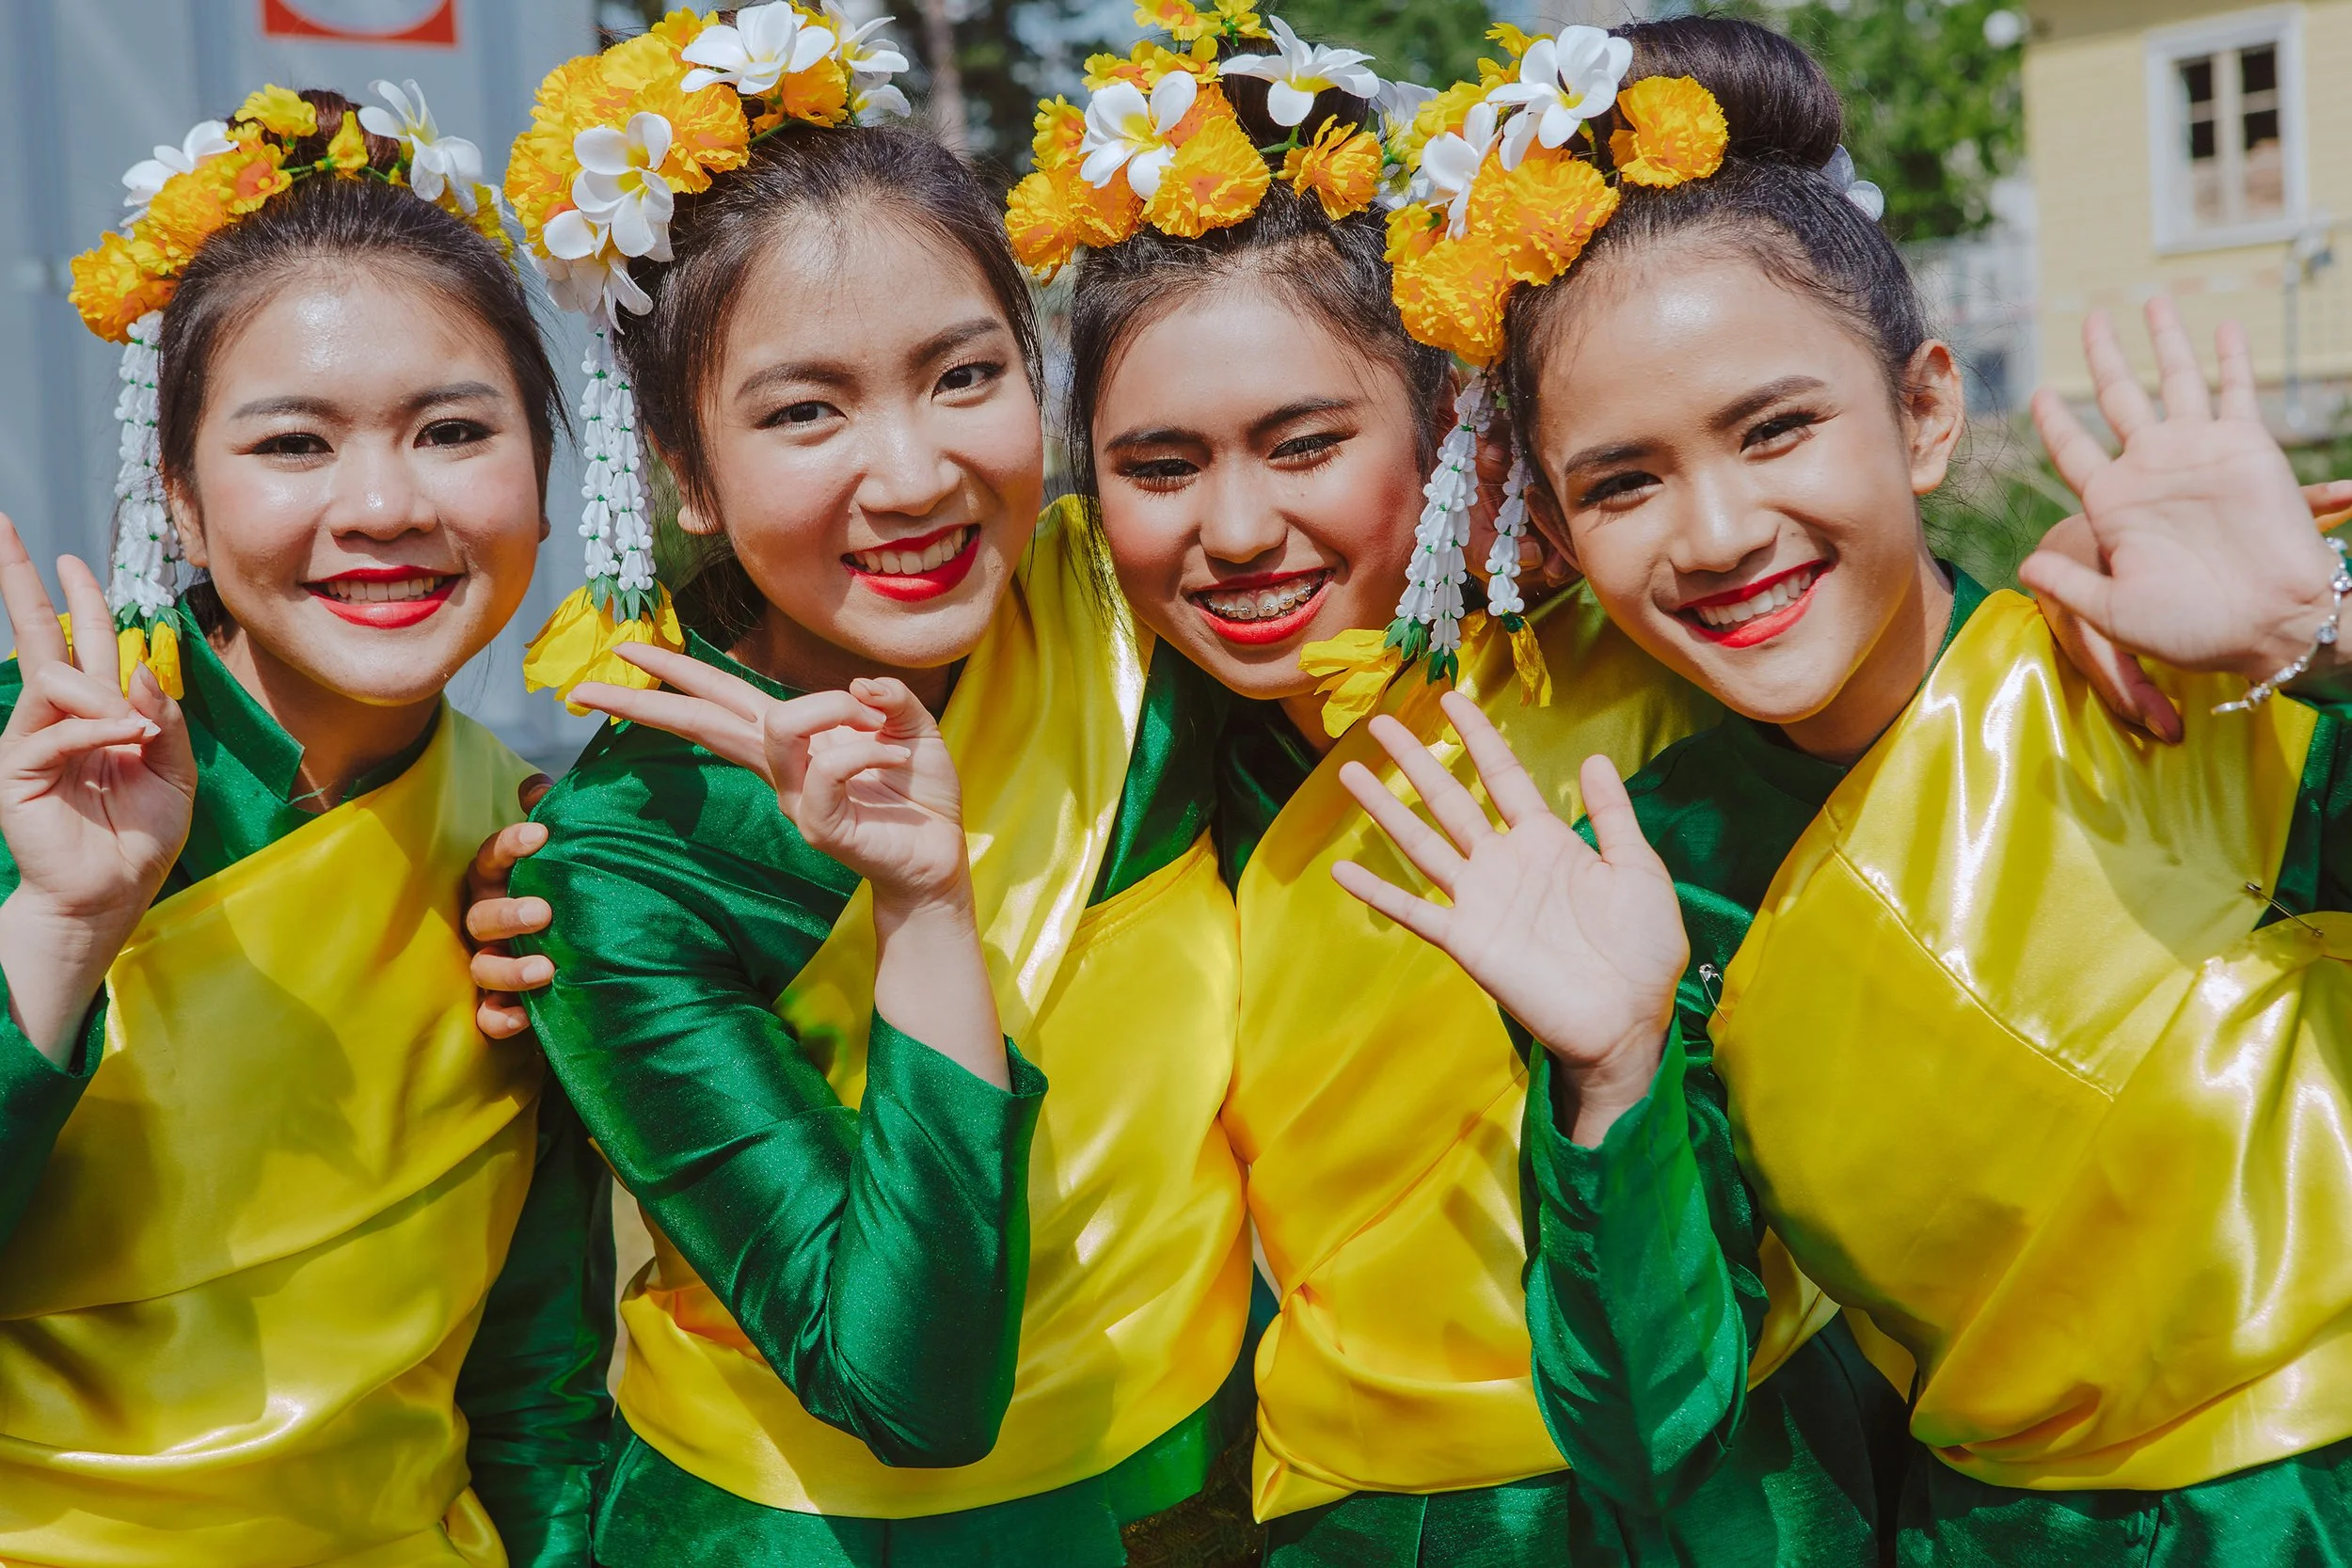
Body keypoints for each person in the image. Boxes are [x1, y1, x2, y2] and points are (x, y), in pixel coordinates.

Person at [1338, 17, 2352, 1565]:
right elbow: (1651, 1432)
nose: (1722, 527)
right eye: (1623, 481)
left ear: (1927, 412)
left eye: (1777, 425)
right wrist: (1609, 1083)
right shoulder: (1645, 887)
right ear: (1551, 524)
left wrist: (2315, 635)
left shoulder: (2169, 669)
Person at [499, 11, 1254, 1562]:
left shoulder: (1145, 615)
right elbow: (904, 1383)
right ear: (685, 473)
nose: (910, 477)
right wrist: (923, 909)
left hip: (1198, 1486)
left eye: (962, 375)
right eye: (804, 411)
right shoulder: (621, 863)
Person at [0, 86, 611, 1565]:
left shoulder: (535, 841)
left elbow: (533, 1379)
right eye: (294, 446)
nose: (385, 504)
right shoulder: (30, 767)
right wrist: (65, 925)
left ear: (541, 469)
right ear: (182, 505)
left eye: (453, 430)